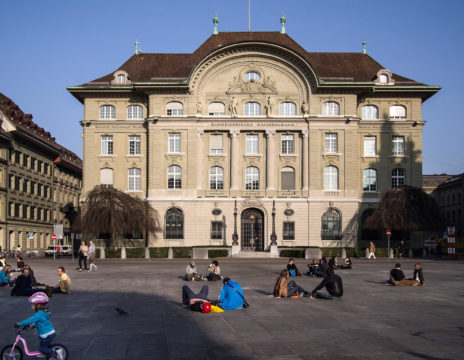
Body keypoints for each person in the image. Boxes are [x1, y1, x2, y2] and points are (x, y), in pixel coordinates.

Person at [16, 292, 63, 360]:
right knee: (44, 345)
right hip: (49, 333)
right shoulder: (43, 313)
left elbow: (30, 320)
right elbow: (40, 322)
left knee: (42, 348)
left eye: (33, 305)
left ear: (38, 305)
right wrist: (32, 326)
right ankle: (46, 352)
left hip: (46, 334)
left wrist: (19, 324)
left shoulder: (39, 314)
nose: (31, 306)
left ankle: (55, 353)